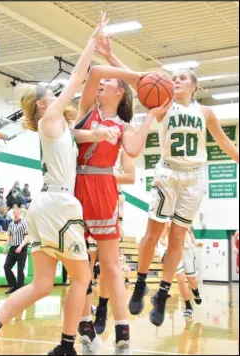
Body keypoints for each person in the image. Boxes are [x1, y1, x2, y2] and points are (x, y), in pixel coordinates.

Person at [0, 12, 119, 356]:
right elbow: (75, 76)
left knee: (42, 284)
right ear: (43, 104)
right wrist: (92, 40)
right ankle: (67, 346)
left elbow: (82, 134)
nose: (58, 94)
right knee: (82, 278)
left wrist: (101, 133)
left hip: (44, 207)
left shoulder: (59, 129)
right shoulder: (51, 119)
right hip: (59, 205)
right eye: (51, 94)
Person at [94, 35, 239, 327]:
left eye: (182, 78)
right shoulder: (163, 101)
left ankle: (162, 294)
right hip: (167, 172)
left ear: (194, 85)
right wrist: (110, 56)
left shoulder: (206, 112)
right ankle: (141, 283)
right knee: (151, 234)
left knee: (176, 239)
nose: (176, 80)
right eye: (173, 77)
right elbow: (137, 79)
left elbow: (224, 143)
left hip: (195, 177)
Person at [74, 34, 170, 354]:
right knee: (79, 263)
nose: (103, 84)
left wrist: (150, 117)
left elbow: (134, 147)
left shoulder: (124, 125)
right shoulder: (87, 107)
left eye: (111, 82)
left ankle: (122, 331)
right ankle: (86, 324)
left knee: (112, 266)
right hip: (77, 187)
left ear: (119, 92)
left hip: (104, 189)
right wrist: (133, 73)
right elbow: (94, 73)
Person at [93, 148, 135, 335]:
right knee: (87, 262)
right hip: (90, 198)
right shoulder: (91, 135)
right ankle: (86, 317)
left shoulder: (122, 145)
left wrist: (104, 176)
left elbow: (130, 177)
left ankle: (102, 307)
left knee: (107, 264)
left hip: (113, 200)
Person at [157, 223, 203, 319]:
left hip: (187, 253)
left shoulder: (188, 221)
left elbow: (191, 234)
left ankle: (196, 293)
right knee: (181, 278)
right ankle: (188, 306)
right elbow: (161, 238)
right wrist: (169, 245)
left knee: (192, 281)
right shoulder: (168, 222)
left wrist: (195, 243)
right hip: (175, 252)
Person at [3, 208, 29, 294]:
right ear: (13, 214)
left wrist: (21, 246)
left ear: (20, 214)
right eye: (14, 213)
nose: (16, 214)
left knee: (20, 269)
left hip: (22, 248)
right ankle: (12, 285)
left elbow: (26, 237)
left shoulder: (24, 223)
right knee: (6, 266)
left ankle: (20, 287)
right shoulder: (10, 224)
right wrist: (6, 247)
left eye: (17, 213)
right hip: (13, 248)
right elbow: (9, 238)